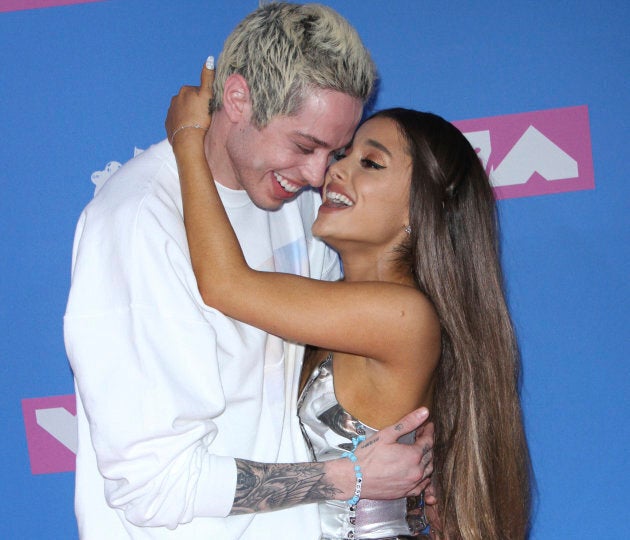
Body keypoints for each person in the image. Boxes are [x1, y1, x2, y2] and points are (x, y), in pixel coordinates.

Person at [64, 3, 434, 540]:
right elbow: (154, 486)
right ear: (237, 99)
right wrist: (349, 477)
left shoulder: (302, 204)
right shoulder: (140, 221)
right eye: (304, 145)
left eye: (336, 150)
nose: (317, 174)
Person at [165, 61, 532, 539]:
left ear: (418, 213)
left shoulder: (400, 314)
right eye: (344, 153)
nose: (335, 168)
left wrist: (188, 137)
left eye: (370, 163)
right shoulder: (342, 305)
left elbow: (225, 284)